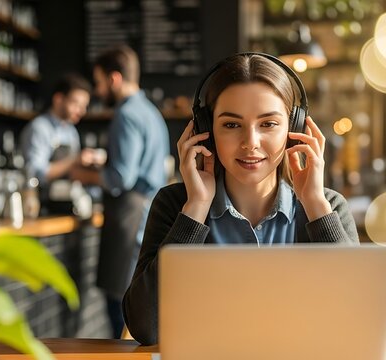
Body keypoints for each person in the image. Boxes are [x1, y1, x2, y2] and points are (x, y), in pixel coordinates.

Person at [122, 53, 359, 345]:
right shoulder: (176, 205)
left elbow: (358, 320)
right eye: (232, 125)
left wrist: (315, 206)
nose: (250, 142)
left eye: (268, 124)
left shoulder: (327, 207)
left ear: (293, 131)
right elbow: (146, 328)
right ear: (206, 132)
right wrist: (195, 208)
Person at [70, 45, 170, 338]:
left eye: (99, 82)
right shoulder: (150, 112)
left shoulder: (125, 115)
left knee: (122, 307)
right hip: (147, 213)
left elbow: (120, 178)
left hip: (129, 218)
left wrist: (81, 174)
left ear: (114, 79)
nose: (98, 91)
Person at [19, 73, 91, 214]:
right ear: (58, 99)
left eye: (84, 106)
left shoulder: (71, 132)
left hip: (66, 205)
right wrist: (74, 160)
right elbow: (37, 173)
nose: (81, 111)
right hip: (39, 206)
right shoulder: (40, 128)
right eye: (76, 104)